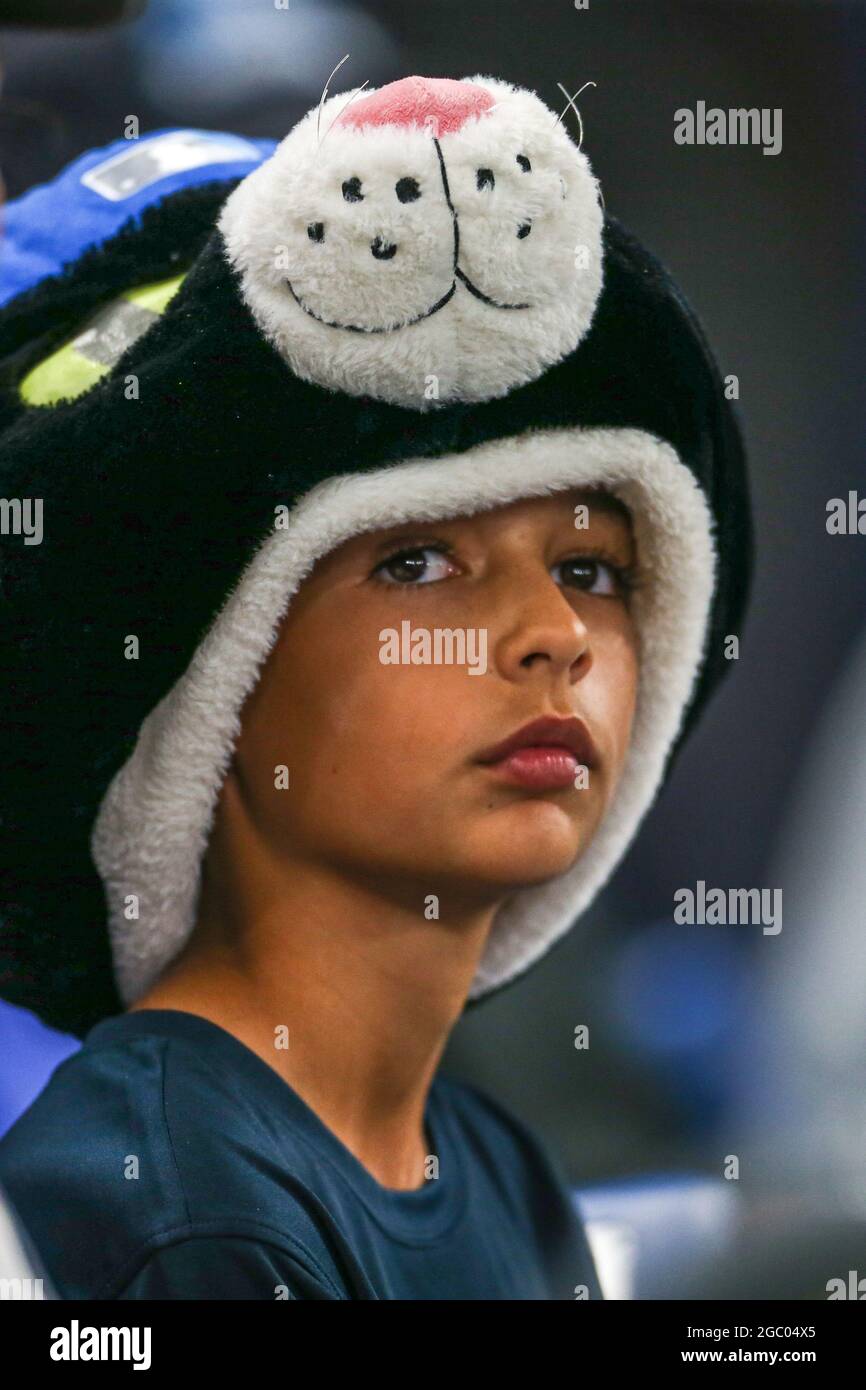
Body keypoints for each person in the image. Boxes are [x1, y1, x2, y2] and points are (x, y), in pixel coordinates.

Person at [0, 73, 753, 1299]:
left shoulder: (492, 1161)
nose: (550, 632)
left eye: (590, 566)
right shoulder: (161, 1198)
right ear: (211, 686)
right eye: (417, 563)